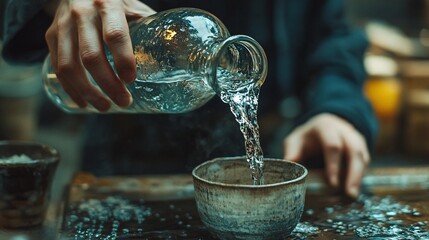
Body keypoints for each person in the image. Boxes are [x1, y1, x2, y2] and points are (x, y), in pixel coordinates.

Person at [1, 0, 378, 198]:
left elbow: (333, 32)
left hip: (280, 137)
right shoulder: (198, 33)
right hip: (128, 168)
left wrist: (336, 107)